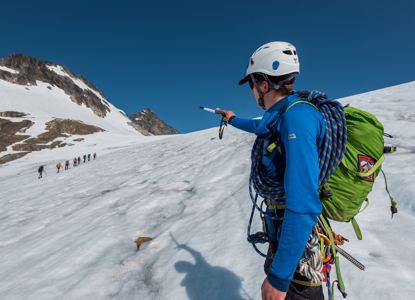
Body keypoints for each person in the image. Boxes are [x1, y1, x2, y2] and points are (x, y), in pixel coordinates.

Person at [222, 42, 326, 300]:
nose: (252, 92)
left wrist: (279, 279)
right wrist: (232, 119)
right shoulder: (279, 114)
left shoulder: (297, 117)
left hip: (297, 247)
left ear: (263, 85)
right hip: (282, 234)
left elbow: (303, 204)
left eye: (252, 85)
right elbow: (259, 127)